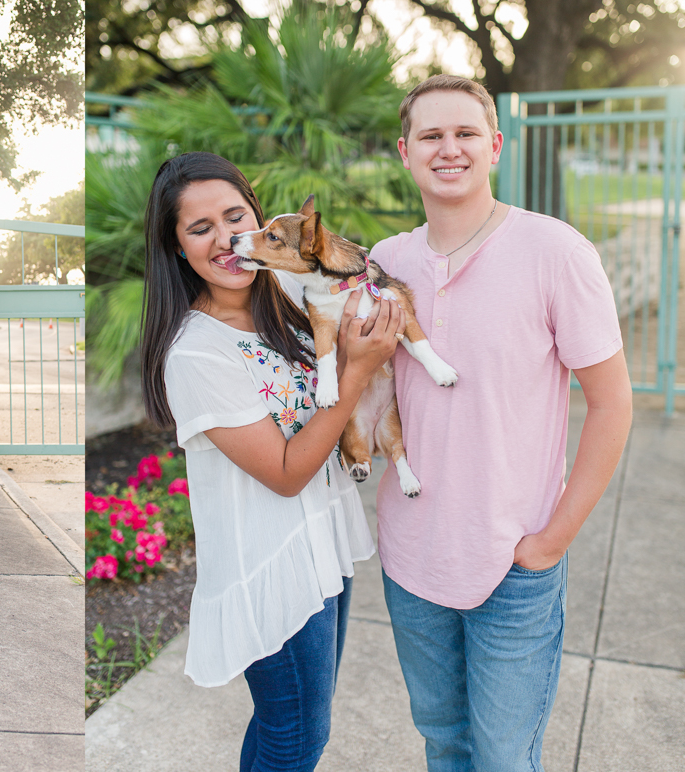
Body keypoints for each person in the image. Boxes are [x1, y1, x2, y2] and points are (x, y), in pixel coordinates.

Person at [369, 74, 633, 771]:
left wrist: (552, 539)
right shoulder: (386, 262)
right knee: (445, 745)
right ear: (405, 151)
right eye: (431, 135)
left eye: (464, 134)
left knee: (506, 758)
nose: (447, 149)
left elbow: (612, 403)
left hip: (514, 562)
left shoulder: (555, 251)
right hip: (412, 558)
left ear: (495, 145)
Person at [140, 151, 406, 772]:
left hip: (323, 547)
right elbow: (287, 473)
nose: (228, 239)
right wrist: (355, 369)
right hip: (272, 564)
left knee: (287, 724)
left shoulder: (287, 292)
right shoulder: (196, 353)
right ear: (177, 248)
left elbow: (365, 275)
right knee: (298, 735)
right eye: (200, 228)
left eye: (236, 217)